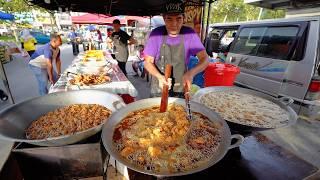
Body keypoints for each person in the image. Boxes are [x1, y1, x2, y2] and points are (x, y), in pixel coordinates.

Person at [144, 0, 209, 97]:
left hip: (181, 85)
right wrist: (159, 77)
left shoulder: (189, 34)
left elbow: (205, 59)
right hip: (159, 85)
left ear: (184, 18)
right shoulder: (156, 34)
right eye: (169, 19)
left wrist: (191, 73)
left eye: (178, 18)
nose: (174, 24)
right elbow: (147, 62)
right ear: (164, 18)